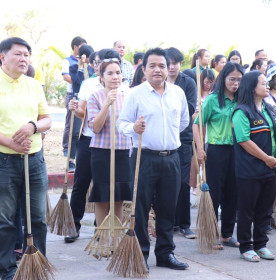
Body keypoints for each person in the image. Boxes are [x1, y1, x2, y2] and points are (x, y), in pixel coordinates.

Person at [0, 37, 51, 280]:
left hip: (35, 160)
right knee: (3, 220)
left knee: (37, 219)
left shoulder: (33, 85)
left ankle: (37, 267)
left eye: (27, 55)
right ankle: (7, 271)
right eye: (18, 54)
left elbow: (46, 119)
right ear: (2, 58)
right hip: (1, 160)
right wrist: (11, 142)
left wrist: (33, 126)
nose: (24, 59)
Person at [117, 47, 189, 271]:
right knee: (140, 209)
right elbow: (122, 124)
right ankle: (141, 255)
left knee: (168, 208)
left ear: (168, 69)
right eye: (153, 66)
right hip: (144, 158)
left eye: (162, 66)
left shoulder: (178, 93)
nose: (158, 70)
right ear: (144, 69)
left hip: (172, 158)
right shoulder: (135, 94)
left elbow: (184, 122)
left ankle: (166, 254)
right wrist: (134, 127)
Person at [64, 49, 123, 243]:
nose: (100, 65)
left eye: (116, 69)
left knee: (109, 188)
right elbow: (83, 113)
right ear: (95, 66)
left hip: (113, 144)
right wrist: (76, 109)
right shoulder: (88, 85)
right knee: (81, 183)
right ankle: (74, 226)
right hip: (89, 139)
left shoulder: (124, 90)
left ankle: (103, 232)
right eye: (98, 62)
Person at [232, 70, 276, 262]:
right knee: (247, 209)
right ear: (252, 87)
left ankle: (261, 244)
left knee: (265, 209)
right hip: (249, 170)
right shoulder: (241, 112)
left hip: (270, 168)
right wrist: (266, 158)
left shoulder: (269, 109)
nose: (267, 86)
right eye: (263, 83)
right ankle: (246, 246)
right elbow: (244, 141)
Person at [194, 62, 244, 249]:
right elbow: (197, 124)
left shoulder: (243, 99)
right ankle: (210, 235)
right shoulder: (213, 99)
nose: (235, 83)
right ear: (223, 79)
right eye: (232, 79)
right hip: (216, 151)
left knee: (233, 193)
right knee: (214, 193)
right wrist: (200, 149)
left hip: (238, 151)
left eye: (239, 80)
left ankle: (226, 234)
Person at [87, 58, 132, 254]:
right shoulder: (95, 97)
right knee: (102, 197)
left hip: (123, 151)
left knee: (119, 197)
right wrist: (107, 103)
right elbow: (95, 127)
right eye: (110, 73)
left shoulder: (129, 96)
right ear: (101, 77)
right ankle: (103, 240)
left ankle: (117, 238)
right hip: (102, 152)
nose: (115, 77)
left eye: (118, 73)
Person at [166, 47, 197, 239]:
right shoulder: (157, 81)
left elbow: (190, 108)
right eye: (168, 63)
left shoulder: (188, 82)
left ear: (180, 64)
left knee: (183, 182)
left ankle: (184, 224)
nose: (171, 67)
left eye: (175, 63)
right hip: (163, 140)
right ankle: (169, 223)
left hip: (183, 138)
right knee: (166, 184)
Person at [62, 36, 87, 159]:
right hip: (73, 94)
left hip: (83, 96)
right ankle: (67, 147)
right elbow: (66, 77)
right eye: (82, 46)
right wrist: (79, 83)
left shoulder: (87, 61)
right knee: (70, 124)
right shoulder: (68, 61)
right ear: (75, 47)